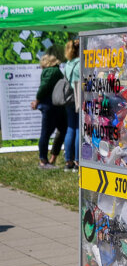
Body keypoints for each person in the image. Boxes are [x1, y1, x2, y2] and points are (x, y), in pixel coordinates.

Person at [30, 49, 67, 169]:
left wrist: (38, 100)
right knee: (48, 133)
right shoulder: (53, 71)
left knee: (60, 131)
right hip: (52, 106)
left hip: (52, 106)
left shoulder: (50, 71)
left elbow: (44, 87)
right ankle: (43, 161)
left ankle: (48, 159)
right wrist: (37, 100)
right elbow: (44, 87)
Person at [60, 39, 81, 171]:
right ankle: (78, 161)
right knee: (79, 128)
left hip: (68, 99)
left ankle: (68, 161)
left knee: (70, 128)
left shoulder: (68, 64)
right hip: (78, 98)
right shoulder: (80, 63)